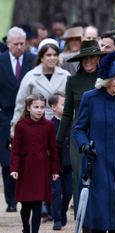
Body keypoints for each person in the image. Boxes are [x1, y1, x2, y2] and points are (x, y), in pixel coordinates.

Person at [72, 51, 115, 232]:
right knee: (99, 214)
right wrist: (85, 145)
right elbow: (78, 129)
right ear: (107, 78)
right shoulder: (90, 97)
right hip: (97, 163)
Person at [56, 39, 107, 218]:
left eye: (92, 57)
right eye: (84, 58)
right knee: (80, 178)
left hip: (103, 135)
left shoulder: (107, 80)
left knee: (101, 179)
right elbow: (68, 113)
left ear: (98, 58)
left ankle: (101, 220)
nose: (88, 61)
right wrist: (58, 141)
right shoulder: (73, 81)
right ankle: (82, 221)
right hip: (79, 137)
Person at [10, 93, 60, 233]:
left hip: (41, 169)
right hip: (25, 169)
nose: (39, 110)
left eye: (42, 107)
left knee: (38, 203)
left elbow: (53, 149)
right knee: (26, 206)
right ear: (28, 108)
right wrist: (14, 168)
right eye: (36, 107)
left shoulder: (49, 126)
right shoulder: (21, 125)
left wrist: (55, 170)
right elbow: (15, 149)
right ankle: (26, 227)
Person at [0, 26, 36, 213]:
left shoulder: (32, 60)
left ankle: (27, 196)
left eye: (22, 43)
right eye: (16, 44)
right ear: (8, 44)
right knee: (7, 161)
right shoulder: (1, 61)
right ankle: (11, 200)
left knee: (28, 158)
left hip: (27, 115)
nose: (20, 47)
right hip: (5, 116)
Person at [10, 38, 70, 137]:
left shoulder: (66, 76)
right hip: (36, 125)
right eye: (48, 55)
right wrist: (14, 129)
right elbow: (20, 105)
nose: (52, 58)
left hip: (62, 126)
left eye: (55, 55)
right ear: (41, 57)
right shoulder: (30, 76)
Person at [48, 92, 73, 230]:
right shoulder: (50, 125)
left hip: (68, 164)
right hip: (54, 166)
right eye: (63, 104)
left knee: (68, 192)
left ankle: (63, 211)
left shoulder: (71, 123)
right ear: (53, 107)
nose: (66, 106)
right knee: (56, 192)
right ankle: (57, 219)